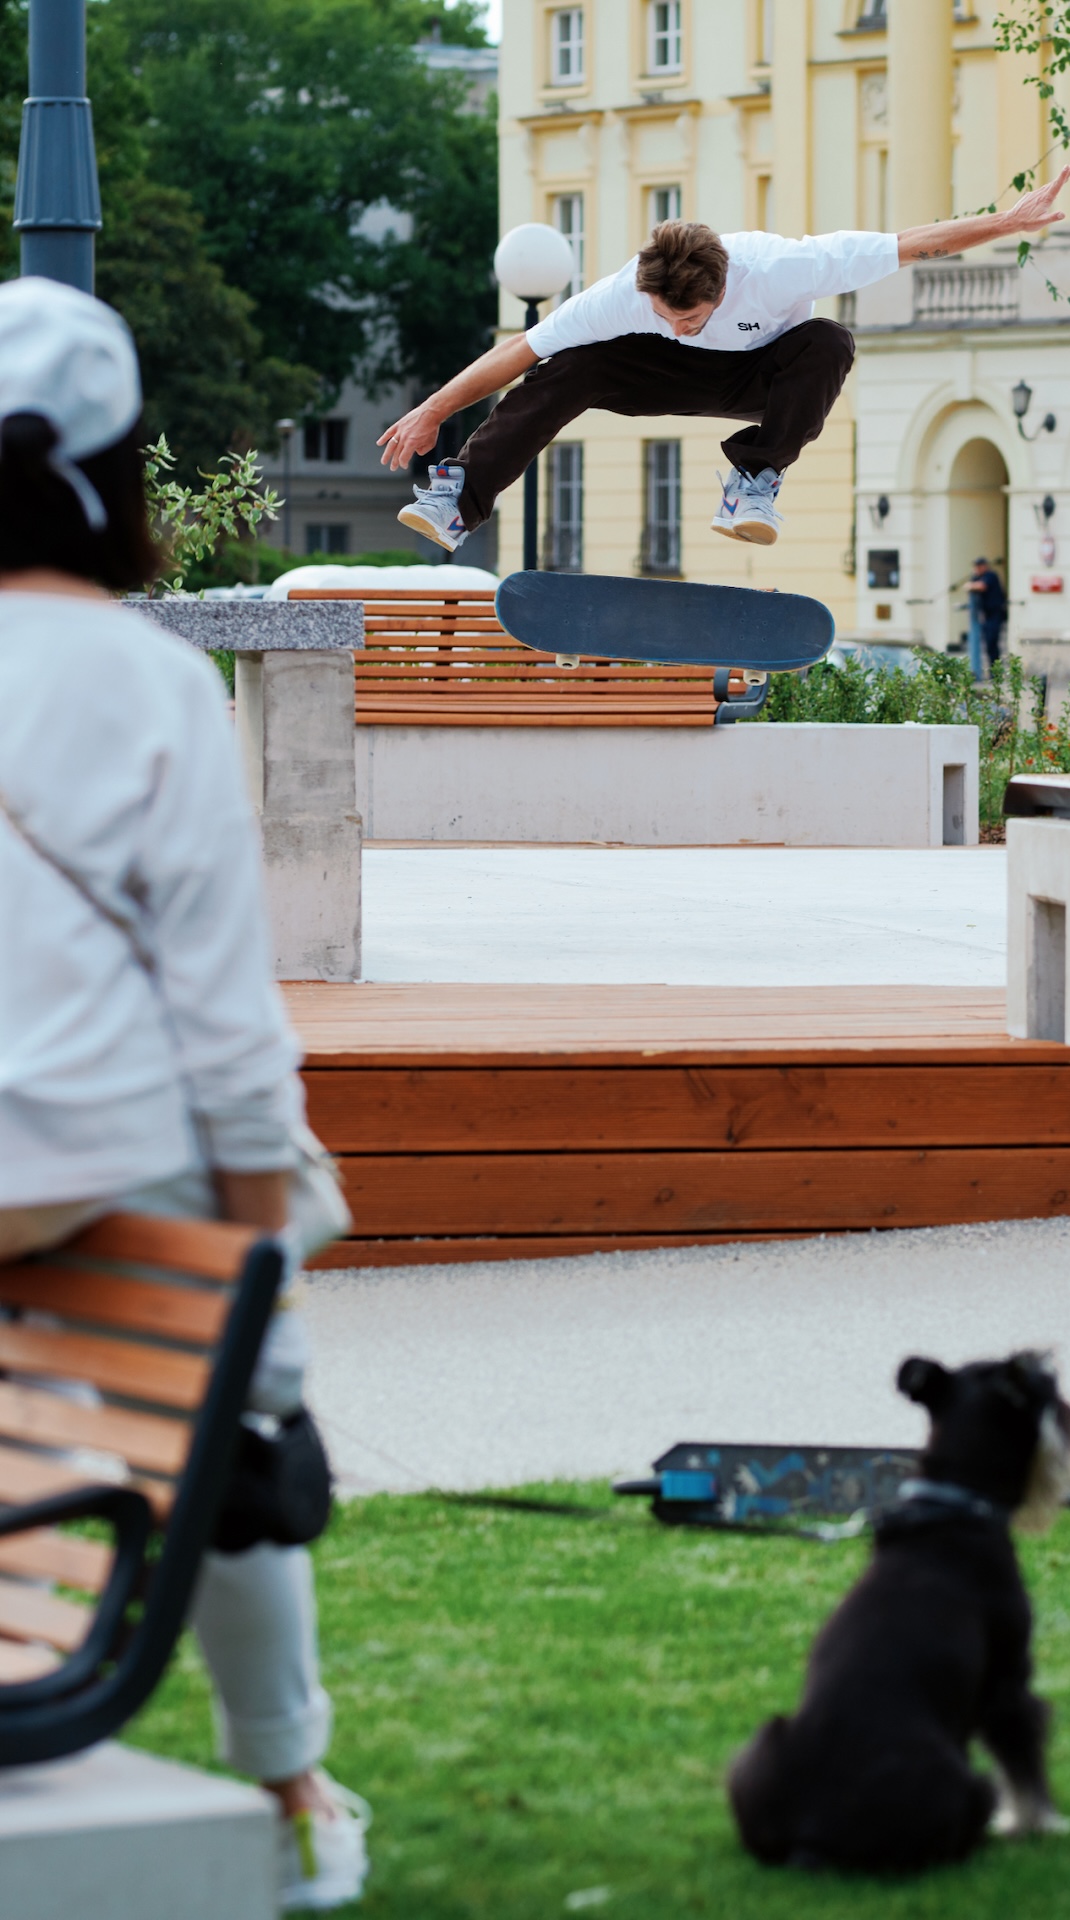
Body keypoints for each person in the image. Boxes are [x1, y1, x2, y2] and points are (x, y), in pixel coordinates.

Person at [0, 278, 369, 1906]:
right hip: (91, 1153)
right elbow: (227, 1039)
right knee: (223, 1437)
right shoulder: (146, 683)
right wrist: (265, 1334)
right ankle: (291, 1787)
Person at [379, 176, 1070, 557]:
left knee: (830, 340)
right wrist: (434, 408)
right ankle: (457, 501)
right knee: (568, 363)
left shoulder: (780, 267)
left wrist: (1007, 223)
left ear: (723, 285)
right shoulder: (625, 294)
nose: (679, 325)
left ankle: (753, 484)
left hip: (753, 378)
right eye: (666, 314)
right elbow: (517, 352)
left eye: (692, 316)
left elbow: (911, 245)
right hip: (653, 377)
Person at [965, 554, 1006, 680]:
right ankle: (993, 671)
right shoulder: (979, 577)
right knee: (988, 644)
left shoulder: (991, 576)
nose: (977, 568)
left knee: (992, 642)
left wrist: (971, 585)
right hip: (987, 615)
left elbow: (981, 586)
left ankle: (996, 671)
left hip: (995, 614)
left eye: (979, 566)